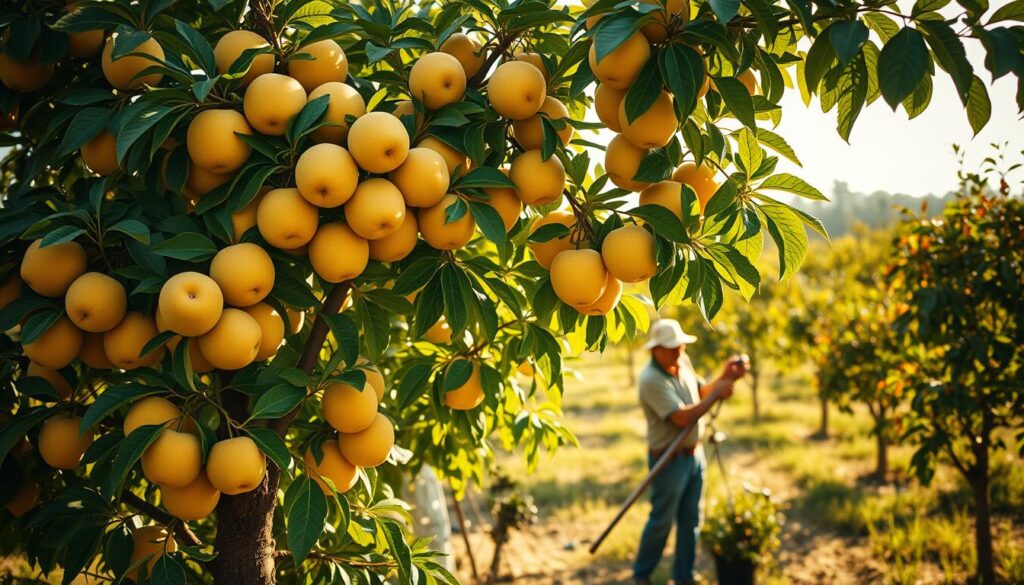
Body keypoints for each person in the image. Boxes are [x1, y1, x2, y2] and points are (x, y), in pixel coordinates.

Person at [633, 318, 747, 585]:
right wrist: (715, 394)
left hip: (693, 455)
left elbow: (701, 392)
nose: (678, 351)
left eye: (681, 346)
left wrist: (725, 377)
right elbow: (681, 418)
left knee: (691, 520)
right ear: (655, 349)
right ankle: (642, 574)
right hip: (668, 460)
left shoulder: (681, 362)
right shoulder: (650, 380)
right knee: (661, 520)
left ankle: (684, 576)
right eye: (672, 347)